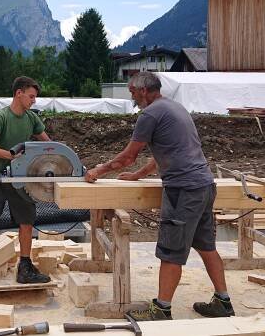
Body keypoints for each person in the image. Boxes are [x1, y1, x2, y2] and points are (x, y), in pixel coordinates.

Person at [84, 71, 231, 321]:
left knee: (171, 251)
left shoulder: (150, 114)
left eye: (132, 92)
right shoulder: (175, 108)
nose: (131, 96)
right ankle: (223, 302)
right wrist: (138, 175)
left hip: (183, 190)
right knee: (206, 246)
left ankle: (161, 309)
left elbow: (128, 155)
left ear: (143, 90)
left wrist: (99, 169)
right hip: (204, 185)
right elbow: (165, 151)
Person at [0, 76, 52, 287]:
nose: (34, 100)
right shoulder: (1, 117)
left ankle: (25, 268)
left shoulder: (31, 118)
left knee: (27, 222)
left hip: (21, 179)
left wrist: (58, 160)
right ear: (19, 93)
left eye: (35, 97)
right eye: (31, 96)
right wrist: (8, 155)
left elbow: (49, 145)